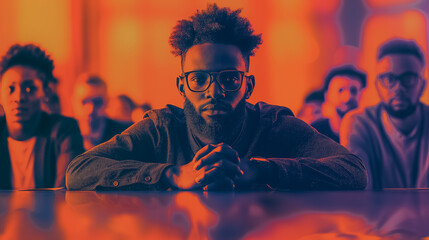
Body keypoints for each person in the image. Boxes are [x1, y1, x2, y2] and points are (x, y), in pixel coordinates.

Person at [66, 4, 367, 191]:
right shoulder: (163, 129)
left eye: (229, 79)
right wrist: (172, 175)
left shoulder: (274, 125)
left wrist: (264, 169)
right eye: (198, 79)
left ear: (248, 85)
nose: (214, 92)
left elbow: (354, 170)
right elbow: (79, 170)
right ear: (181, 86)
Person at [341, 39, 429, 189]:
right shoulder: (358, 123)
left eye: (408, 78)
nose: (398, 88)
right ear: (377, 86)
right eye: (389, 79)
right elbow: (359, 188)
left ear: (423, 85)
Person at [0, 44, 84, 190]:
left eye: (29, 88)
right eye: (10, 89)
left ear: (45, 92)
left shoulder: (63, 131)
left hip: (50, 213)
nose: (19, 97)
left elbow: (65, 192)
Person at [72, 74, 132, 150]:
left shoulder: (125, 134)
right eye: (84, 102)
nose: (90, 110)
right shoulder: (62, 136)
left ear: (107, 102)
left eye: (97, 102)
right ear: (73, 102)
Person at [312, 65, 367, 142]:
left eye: (354, 91)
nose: (347, 97)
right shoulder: (315, 131)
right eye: (340, 90)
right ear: (327, 95)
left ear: (361, 95)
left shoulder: (369, 132)